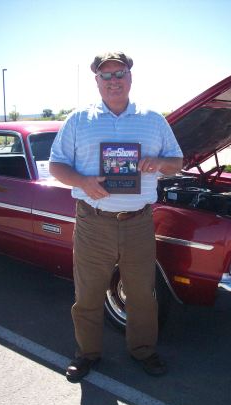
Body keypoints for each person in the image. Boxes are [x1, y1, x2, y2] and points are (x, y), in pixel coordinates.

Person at [49, 51, 183, 382]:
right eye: (105, 75)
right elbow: (56, 165)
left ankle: (143, 350)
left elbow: (177, 162)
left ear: (130, 77)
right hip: (93, 222)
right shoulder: (78, 120)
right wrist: (81, 181)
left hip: (138, 221)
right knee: (89, 293)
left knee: (141, 293)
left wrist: (158, 163)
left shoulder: (153, 119)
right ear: (96, 80)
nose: (113, 81)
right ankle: (87, 354)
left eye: (119, 73)